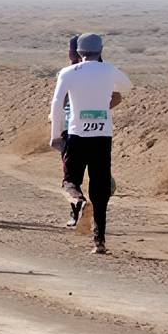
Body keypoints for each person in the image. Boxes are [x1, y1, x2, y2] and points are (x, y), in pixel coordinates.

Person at [50, 33, 131, 254]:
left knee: (70, 182)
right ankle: (99, 241)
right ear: (101, 50)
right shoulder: (109, 70)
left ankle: (78, 203)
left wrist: (55, 135)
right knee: (100, 189)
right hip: (102, 138)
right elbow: (127, 86)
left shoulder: (67, 73)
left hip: (76, 136)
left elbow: (57, 104)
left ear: (78, 52)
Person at [59, 34, 121, 226]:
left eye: (71, 50)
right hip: (88, 131)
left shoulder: (78, 72)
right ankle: (82, 214)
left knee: (72, 177)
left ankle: (81, 210)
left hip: (75, 131)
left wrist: (92, 111)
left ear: (77, 51)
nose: (70, 54)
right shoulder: (80, 71)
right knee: (83, 175)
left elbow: (116, 97)